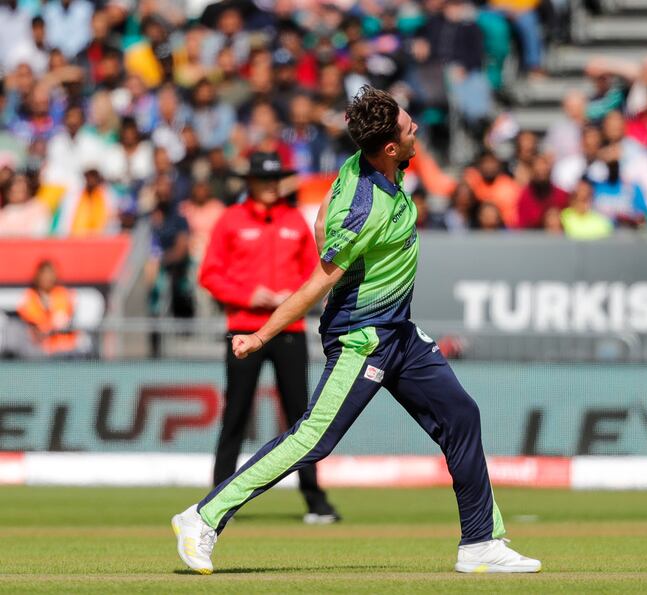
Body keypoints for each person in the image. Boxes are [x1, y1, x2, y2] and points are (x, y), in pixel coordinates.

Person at [172, 87, 541, 575]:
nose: (416, 133)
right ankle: (202, 517)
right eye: (410, 130)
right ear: (390, 148)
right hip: (361, 337)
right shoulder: (366, 206)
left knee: (461, 415)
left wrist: (327, 228)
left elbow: (324, 217)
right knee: (311, 440)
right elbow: (316, 283)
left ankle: (480, 542)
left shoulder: (372, 165)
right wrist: (261, 335)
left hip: (399, 334)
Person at [197, 150, 340, 527]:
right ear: (250, 182)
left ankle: (315, 500)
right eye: (264, 179)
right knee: (235, 416)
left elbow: (315, 273)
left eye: (276, 179)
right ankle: (217, 500)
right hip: (244, 328)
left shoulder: (295, 220)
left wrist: (289, 299)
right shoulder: (231, 220)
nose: (271, 185)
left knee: (302, 418)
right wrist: (249, 295)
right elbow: (210, 275)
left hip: (288, 330)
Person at [16, 259, 82, 356]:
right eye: (44, 273)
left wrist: (50, 326)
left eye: (50, 273)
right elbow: (34, 326)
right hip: (38, 352)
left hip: (64, 351)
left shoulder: (62, 294)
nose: (47, 277)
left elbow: (62, 321)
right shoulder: (29, 297)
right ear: (38, 276)